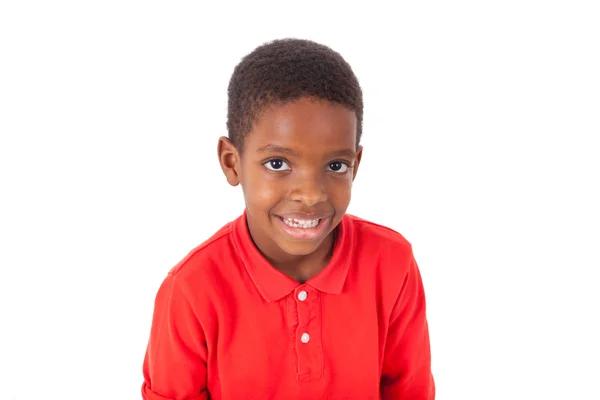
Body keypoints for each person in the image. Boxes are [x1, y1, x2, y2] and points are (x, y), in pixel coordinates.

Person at [142, 38, 435, 400]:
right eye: (277, 164)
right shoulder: (190, 290)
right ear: (232, 163)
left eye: (335, 165)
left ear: (355, 166)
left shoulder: (392, 263)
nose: (311, 194)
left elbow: (411, 391)